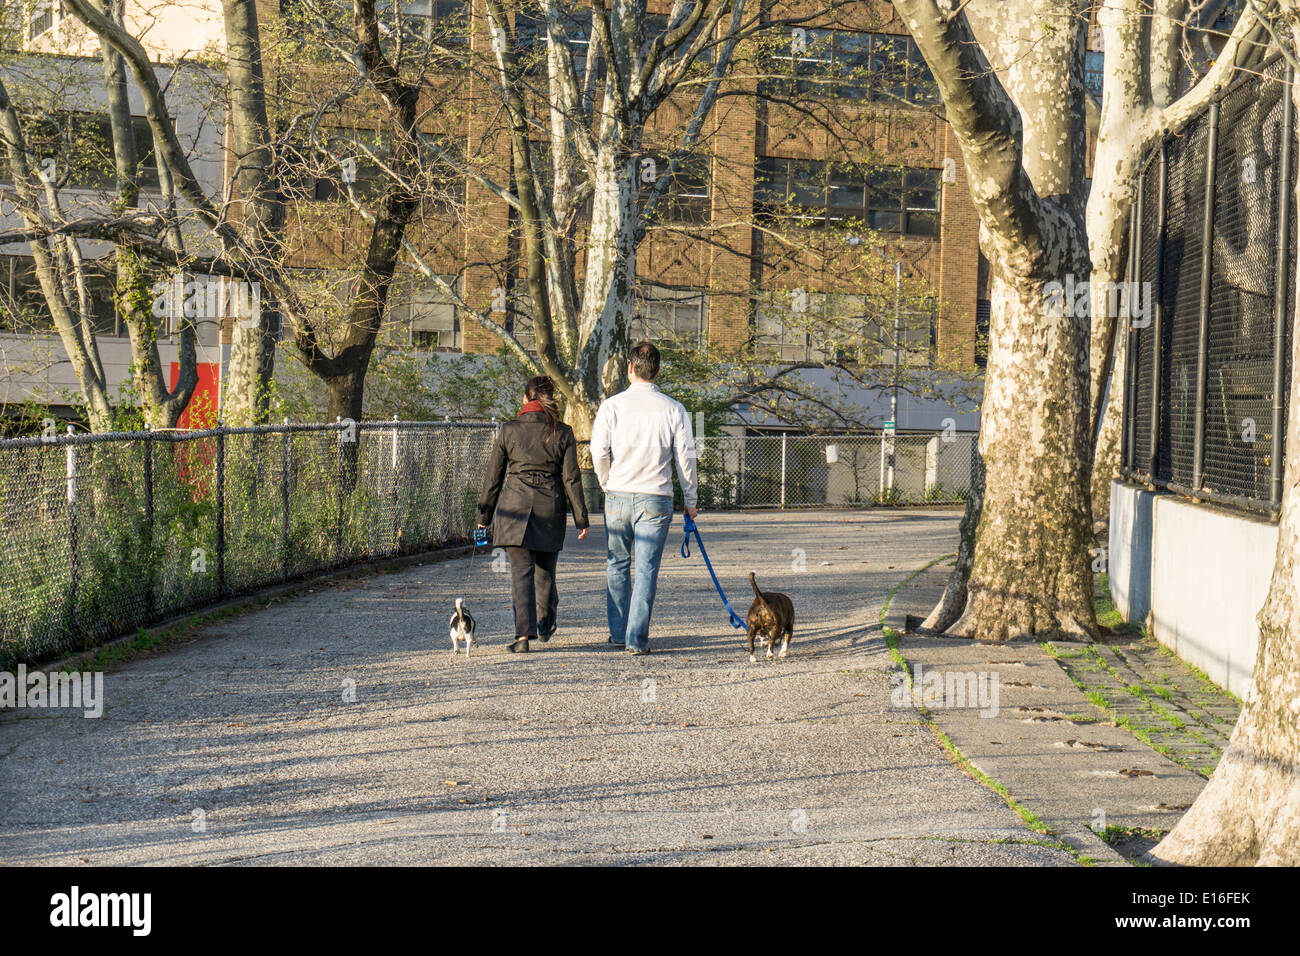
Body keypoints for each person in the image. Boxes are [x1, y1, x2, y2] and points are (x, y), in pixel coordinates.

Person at [590, 341, 698, 655]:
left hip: (619, 493)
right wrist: (690, 500)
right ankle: (637, 639)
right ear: (658, 370)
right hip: (656, 497)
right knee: (647, 569)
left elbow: (598, 451)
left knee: (617, 564)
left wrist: (606, 480)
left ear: (630, 368)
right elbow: (686, 459)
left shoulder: (611, 406)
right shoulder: (674, 409)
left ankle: (618, 633)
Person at [478, 376, 589, 653]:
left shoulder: (509, 430)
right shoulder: (562, 432)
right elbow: (571, 479)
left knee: (521, 574)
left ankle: (522, 637)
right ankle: (546, 621)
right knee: (546, 573)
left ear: (528, 398)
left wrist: (484, 516)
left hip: (514, 508)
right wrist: (581, 518)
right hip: (549, 508)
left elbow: (494, 477)